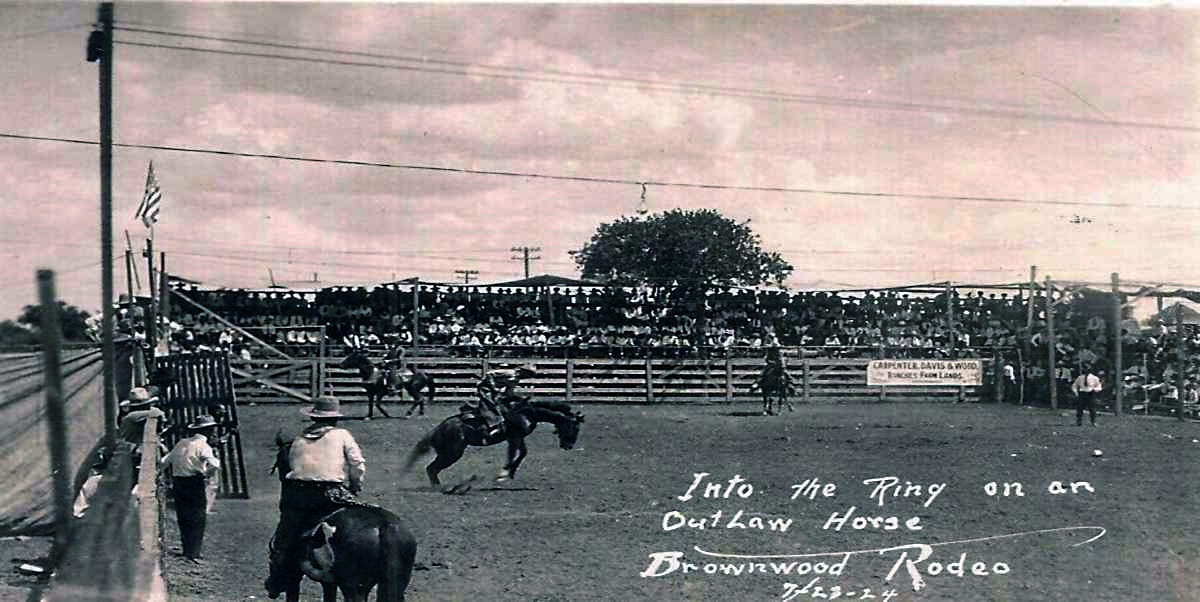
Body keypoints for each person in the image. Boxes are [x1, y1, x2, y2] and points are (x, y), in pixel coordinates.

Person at [265, 395, 366, 599]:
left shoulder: (299, 439)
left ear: (314, 417)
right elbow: (357, 464)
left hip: (300, 495)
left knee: (284, 538)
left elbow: (293, 467)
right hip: (332, 494)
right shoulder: (342, 435)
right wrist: (356, 484)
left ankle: (278, 579)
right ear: (335, 418)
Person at [160, 415, 221, 563]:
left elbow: (165, 461)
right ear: (207, 431)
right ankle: (194, 552)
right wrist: (206, 474)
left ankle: (187, 549)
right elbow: (215, 464)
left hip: (179, 482)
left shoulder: (182, 443)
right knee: (197, 517)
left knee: (183, 516)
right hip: (194, 482)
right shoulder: (203, 446)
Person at [469, 363, 537, 436]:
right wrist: (493, 386)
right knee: (490, 403)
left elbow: (509, 390)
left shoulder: (516, 379)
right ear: (524, 371)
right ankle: (493, 426)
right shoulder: (509, 372)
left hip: (496, 389)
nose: (528, 376)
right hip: (485, 386)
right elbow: (489, 374)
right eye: (529, 374)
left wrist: (513, 397)